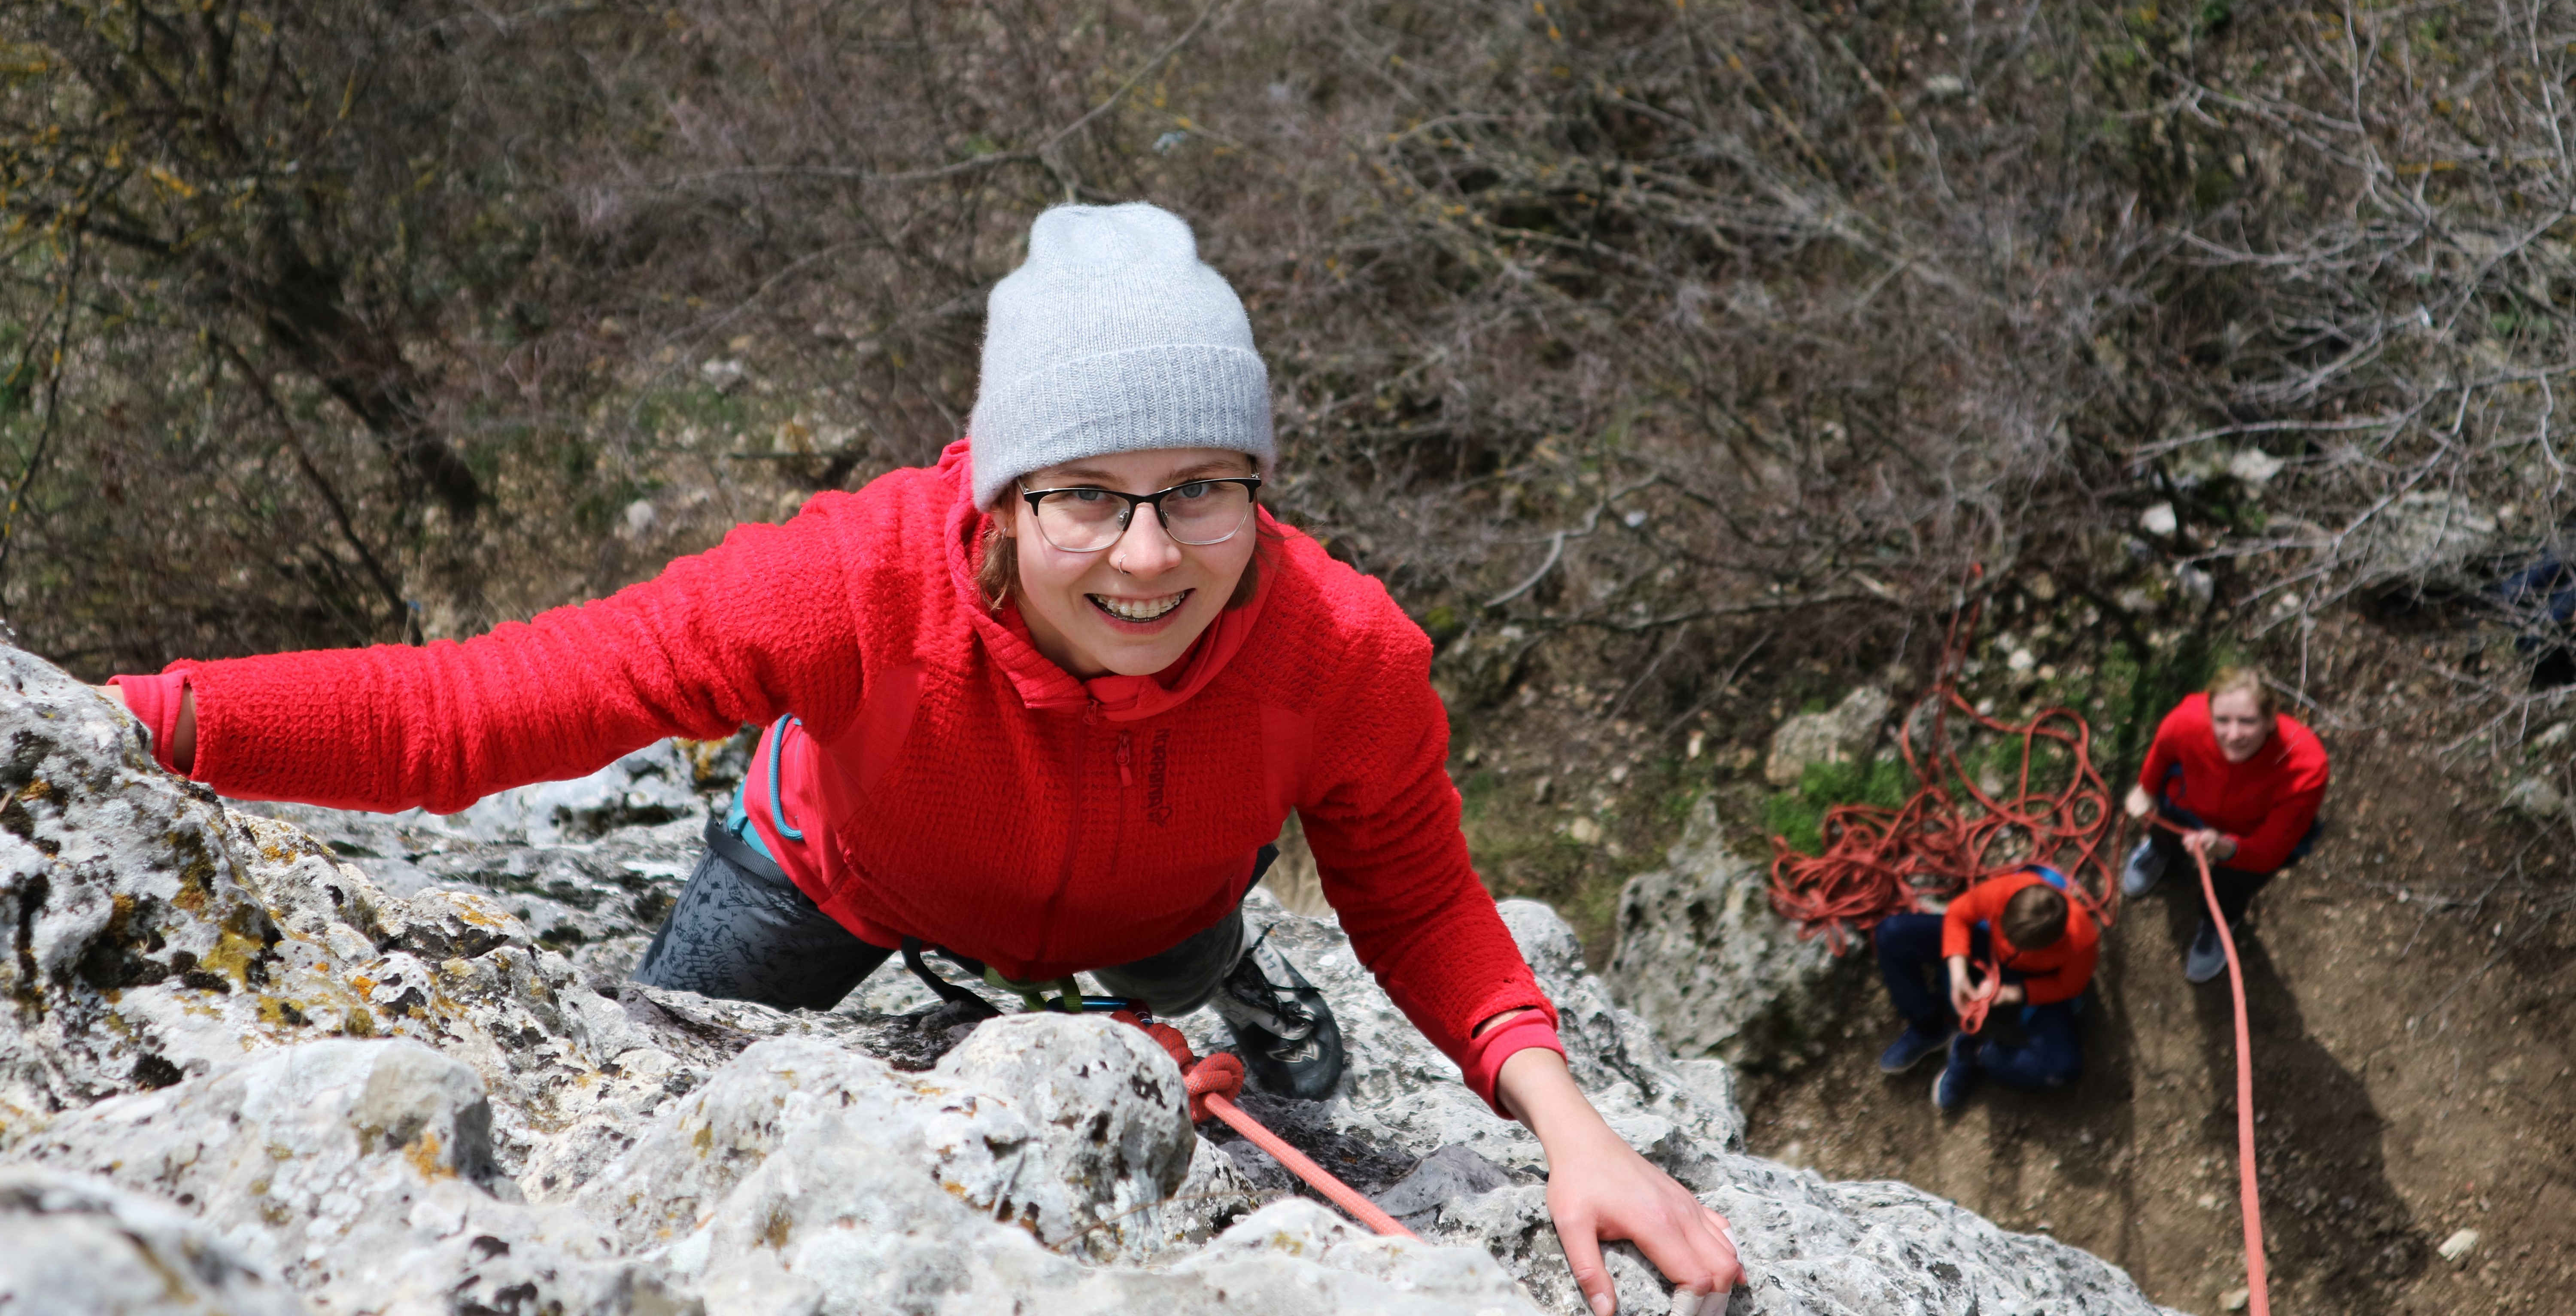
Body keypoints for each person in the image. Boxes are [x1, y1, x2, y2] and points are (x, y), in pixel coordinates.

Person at [98, 202, 1741, 1315]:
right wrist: (138, 727)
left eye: (1201, 491)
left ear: (1259, 488)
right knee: (687, 1066)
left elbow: (1421, 898)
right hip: (834, 873)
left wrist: (1571, 1128)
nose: (1149, 557)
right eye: (1085, 492)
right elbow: (478, 708)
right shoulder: (850, 582)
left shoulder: (1343, 650)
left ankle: (1238, 989)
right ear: (1001, 496)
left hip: (1154, 907)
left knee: (1205, 976)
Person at [2119, 666, 2330, 983]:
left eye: (2248, 722)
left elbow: (2269, 850)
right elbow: (2164, 745)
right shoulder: (2190, 717)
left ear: (2272, 719)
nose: (2233, 735)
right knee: (2166, 822)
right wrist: (2147, 787)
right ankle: (2161, 850)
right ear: (2210, 712)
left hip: (2250, 835)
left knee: (2232, 884)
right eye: (2222, 721)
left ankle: (2219, 922)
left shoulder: (2305, 765)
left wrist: (2225, 847)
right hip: (2191, 803)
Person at [1872, 865, 2098, 1111]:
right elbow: (1960, 913)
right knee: (1890, 933)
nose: (2011, 946)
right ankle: (1929, 1026)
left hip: (2036, 979)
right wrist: (1958, 968)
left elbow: (2069, 986)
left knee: (2063, 1068)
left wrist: (2015, 993)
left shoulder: (2082, 941)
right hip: (1986, 946)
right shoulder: (2009, 890)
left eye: (2019, 945)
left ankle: (1976, 1054)